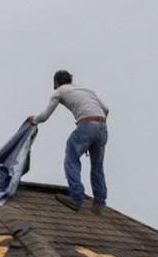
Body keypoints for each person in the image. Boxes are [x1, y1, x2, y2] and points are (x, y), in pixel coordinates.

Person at [29, 70, 109, 213]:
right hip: (102, 126)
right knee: (97, 167)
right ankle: (99, 204)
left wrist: (34, 120)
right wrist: (97, 126)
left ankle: (76, 198)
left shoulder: (59, 91)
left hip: (87, 124)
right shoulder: (86, 90)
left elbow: (45, 115)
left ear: (56, 83)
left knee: (71, 157)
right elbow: (106, 109)